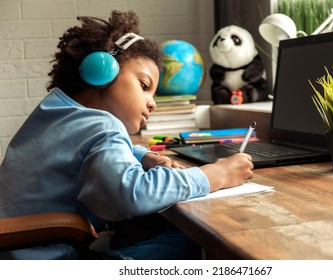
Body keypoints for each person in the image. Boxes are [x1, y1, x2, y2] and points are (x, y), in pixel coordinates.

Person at [0, 10, 254, 260]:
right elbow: (133, 194)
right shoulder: (104, 125)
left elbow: (75, 148)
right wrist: (214, 175)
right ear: (103, 72)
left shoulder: (54, 110)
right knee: (194, 242)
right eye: (144, 86)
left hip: (13, 254)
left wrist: (143, 156)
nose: (152, 103)